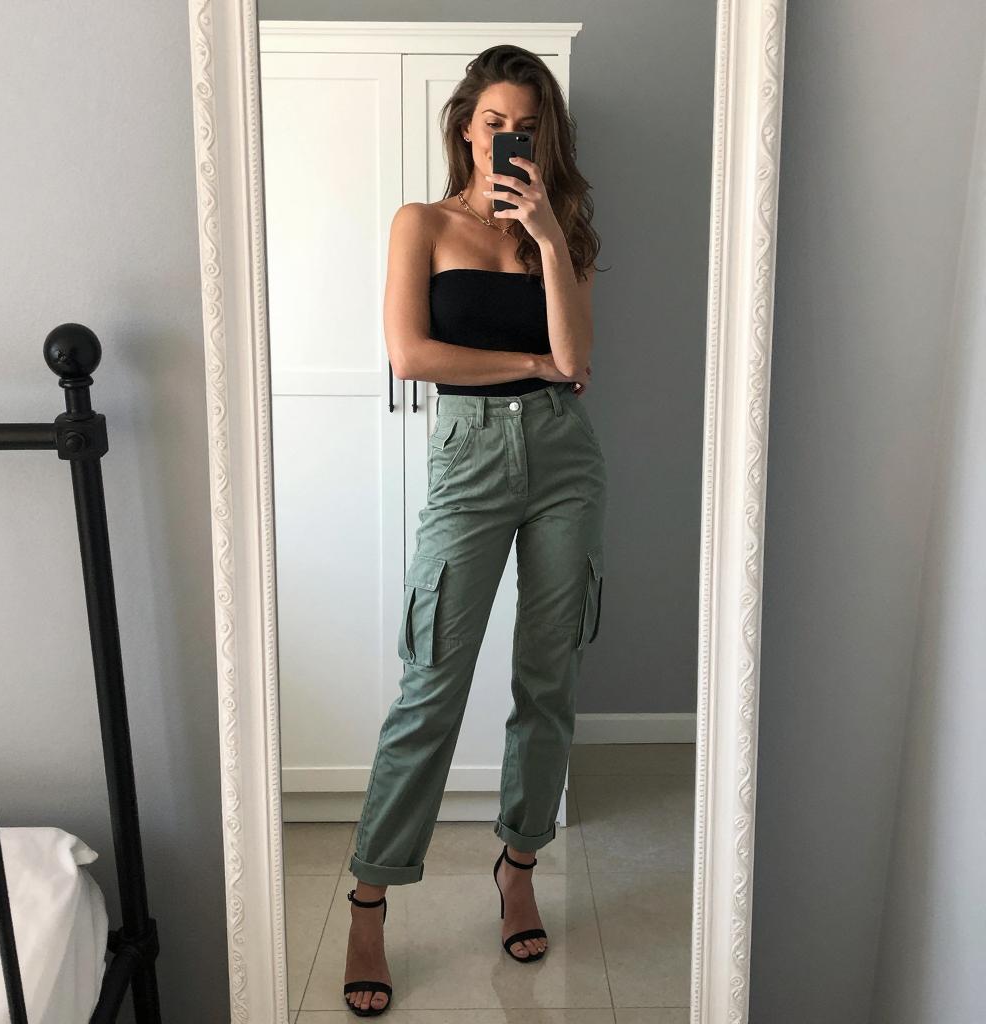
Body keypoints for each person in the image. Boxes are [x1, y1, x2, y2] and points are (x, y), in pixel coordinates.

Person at [342, 44, 607, 1017]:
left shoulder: (562, 229)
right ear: (464, 125)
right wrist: (527, 365)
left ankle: (518, 864)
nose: (507, 140)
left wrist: (546, 237)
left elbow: (576, 359)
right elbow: (412, 354)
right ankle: (370, 896)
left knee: (549, 677)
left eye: (525, 128)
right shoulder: (421, 222)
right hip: (469, 459)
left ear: (545, 136)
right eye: (493, 123)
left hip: (564, 460)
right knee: (431, 684)